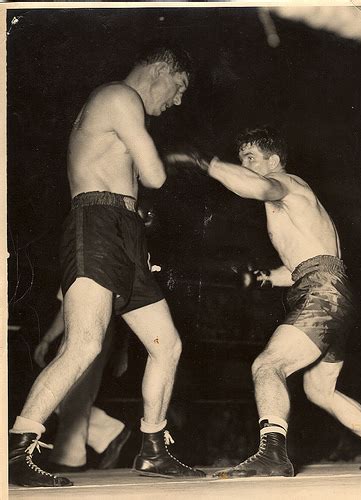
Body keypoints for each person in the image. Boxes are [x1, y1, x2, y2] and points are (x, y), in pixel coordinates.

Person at [9, 46, 205, 487]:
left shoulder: (119, 110)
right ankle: (18, 450)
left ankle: (153, 449)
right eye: (179, 88)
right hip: (96, 225)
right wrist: (159, 166)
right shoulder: (120, 96)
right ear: (163, 70)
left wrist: (140, 202)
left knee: (166, 346)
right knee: (83, 344)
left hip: (123, 230)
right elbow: (154, 177)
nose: (177, 101)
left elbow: (133, 176)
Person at [168, 126, 361, 478]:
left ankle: (272, 454)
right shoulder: (297, 203)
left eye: (251, 158)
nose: (245, 165)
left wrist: (203, 161)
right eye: (242, 159)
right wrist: (266, 277)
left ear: (275, 160)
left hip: (322, 291)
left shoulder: (286, 183)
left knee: (268, 365)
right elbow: (301, 266)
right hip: (327, 287)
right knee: (320, 390)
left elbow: (258, 187)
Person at [33, 288, 130, 472]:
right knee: (54, 396)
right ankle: (109, 431)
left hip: (96, 334)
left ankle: (69, 461)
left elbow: (125, 311)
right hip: (71, 336)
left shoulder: (104, 260)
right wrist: (47, 339)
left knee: (77, 396)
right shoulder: (70, 265)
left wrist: (121, 351)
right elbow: (65, 309)